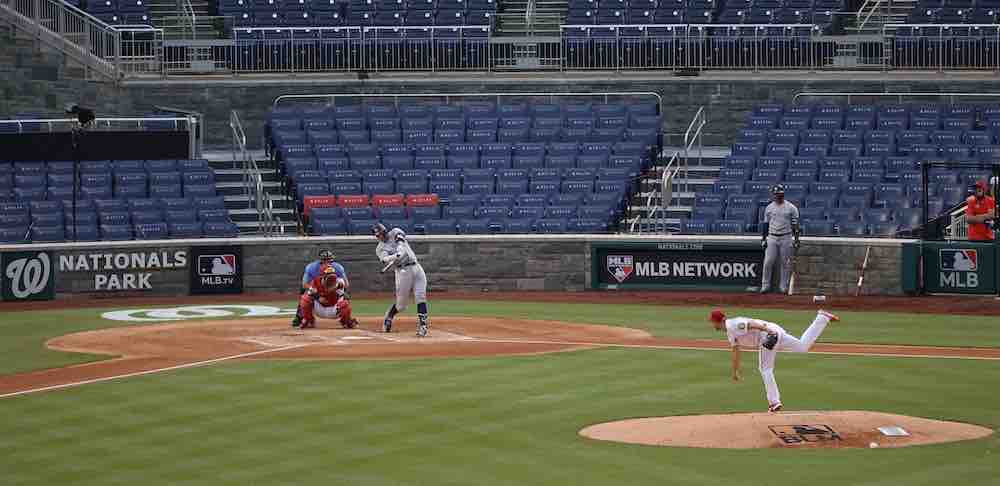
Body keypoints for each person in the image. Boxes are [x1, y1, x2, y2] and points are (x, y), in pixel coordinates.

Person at [709, 308, 839, 412]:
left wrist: (769, 331)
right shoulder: (730, 332)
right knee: (802, 347)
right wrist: (735, 371)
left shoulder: (733, 325)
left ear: (720, 321)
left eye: (713, 321)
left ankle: (774, 402)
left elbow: (752, 324)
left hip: (768, 335)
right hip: (774, 332)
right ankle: (822, 318)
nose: (712, 324)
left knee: (765, 369)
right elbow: (736, 351)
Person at [373, 222, 429, 337]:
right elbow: (385, 259)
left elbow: (400, 240)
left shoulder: (395, 231)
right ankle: (389, 316)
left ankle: (423, 325)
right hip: (402, 272)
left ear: (385, 231)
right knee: (401, 305)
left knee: (421, 297)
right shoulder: (380, 248)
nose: (381, 237)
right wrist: (395, 256)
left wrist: (400, 249)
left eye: (382, 234)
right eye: (378, 236)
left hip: (416, 267)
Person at [760, 184, 800, 293]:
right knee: (768, 261)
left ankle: (783, 286)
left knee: (785, 263)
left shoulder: (791, 208)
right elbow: (765, 224)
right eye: (776, 194)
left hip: (786, 236)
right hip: (772, 237)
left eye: (780, 194)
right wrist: (763, 239)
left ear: (783, 194)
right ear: (773, 195)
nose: (778, 196)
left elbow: (796, 225)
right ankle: (765, 285)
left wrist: (796, 239)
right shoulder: (769, 208)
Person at [292, 249, 347, 328]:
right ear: (320, 261)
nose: (328, 264)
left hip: (333, 289)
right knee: (303, 293)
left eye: (330, 261)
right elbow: (305, 285)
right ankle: (301, 316)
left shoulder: (338, 268)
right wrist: (317, 295)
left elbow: (346, 284)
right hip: (317, 287)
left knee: (345, 296)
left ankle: (345, 318)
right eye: (324, 261)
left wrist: (334, 287)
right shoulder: (312, 268)